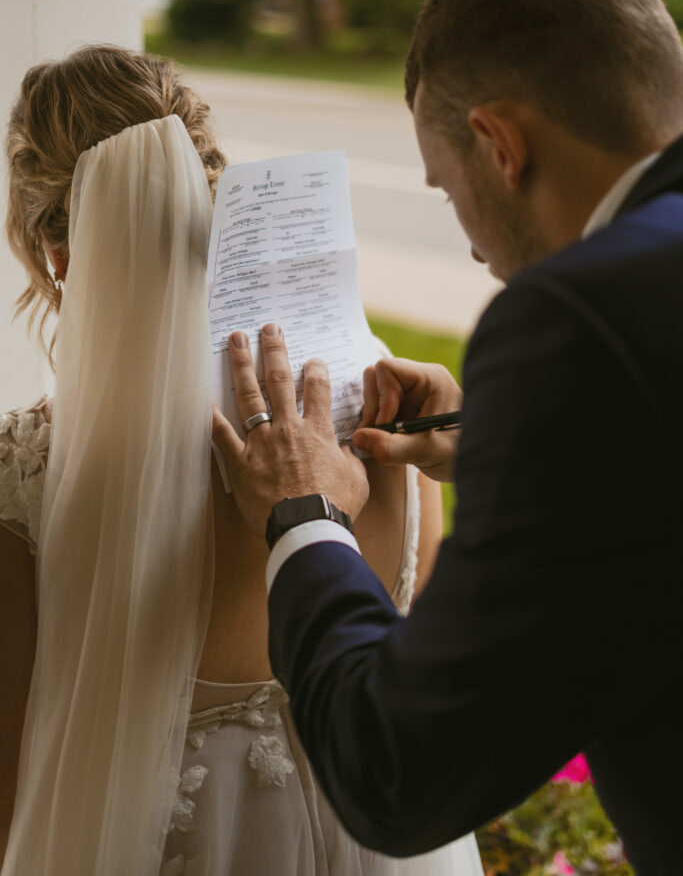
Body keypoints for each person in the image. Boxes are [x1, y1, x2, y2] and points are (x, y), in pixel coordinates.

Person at [211, 0, 683, 875]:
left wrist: (301, 513)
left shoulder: (573, 319)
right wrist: (513, 443)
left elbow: (402, 771)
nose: (470, 243)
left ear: (498, 143)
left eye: (444, 189)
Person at [0, 45, 483, 875]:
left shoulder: (23, 481)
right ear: (215, 198)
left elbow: (11, 793)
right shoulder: (393, 425)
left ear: (55, 251)